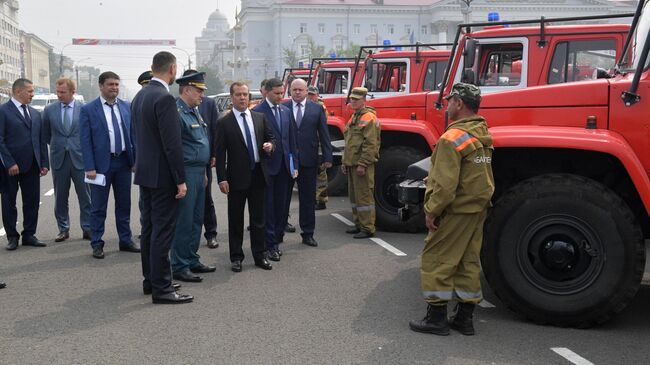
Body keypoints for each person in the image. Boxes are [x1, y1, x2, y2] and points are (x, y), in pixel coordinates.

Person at [409, 83, 494, 336]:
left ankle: (436, 319)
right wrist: (434, 177)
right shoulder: (481, 133)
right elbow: (472, 173)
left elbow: (446, 187)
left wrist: (431, 210)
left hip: (456, 210)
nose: (447, 106)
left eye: (449, 101)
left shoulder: (450, 138)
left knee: (437, 259)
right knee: (468, 262)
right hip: (477, 207)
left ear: (459, 103)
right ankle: (464, 319)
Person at [131, 51, 192, 304]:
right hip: (163, 176)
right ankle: (163, 289)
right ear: (173, 69)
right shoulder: (164, 98)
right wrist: (180, 179)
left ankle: (152, 280)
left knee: (150, 230)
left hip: (145, 173)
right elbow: (171, 144)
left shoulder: (140, 95)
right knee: (162, 232)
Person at [215, 82, 275, 273]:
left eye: (245, 94)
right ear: (232, 98)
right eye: (239, 94)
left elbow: (271, 138)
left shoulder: (259, 117)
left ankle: (260, 255)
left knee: (258, 219)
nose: (242, 98)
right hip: (236, 178)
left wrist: (270, 146)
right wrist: (221, 179)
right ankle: (236, 257)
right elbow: (220, 152)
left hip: (258, 174)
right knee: (236, 220)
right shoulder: (224, 122)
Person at [80, 71, 138, 259]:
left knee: (124, 204)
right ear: (101, 86)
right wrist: (89, 166)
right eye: (110, 84)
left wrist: (135, 160)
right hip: (100, 166)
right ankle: (97, 243)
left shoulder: (126, 107)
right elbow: (85, 140)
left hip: (123, 162)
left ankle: (125, 240)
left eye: (116, 84)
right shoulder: (89, 109)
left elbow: (132, 135)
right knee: (98, 207)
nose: (114, 88)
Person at [169, 71, 215, 282]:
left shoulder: (194, 111)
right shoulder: (176, 113)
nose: (202, 95)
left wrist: (205, 172)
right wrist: (180, 179)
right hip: (187, 172)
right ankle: (179, 264)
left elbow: (200, 142)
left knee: (197, 218)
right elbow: (175, 150)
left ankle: (191, 258)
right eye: (199, 90)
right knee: (184, 221)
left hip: (199, 172)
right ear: (186, 89)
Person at [0, 78, 49, 250]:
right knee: (8, 202)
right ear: (18, 91)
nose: (32, 94)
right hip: (10, 168)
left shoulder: (35, 113)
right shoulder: (3, 111)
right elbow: (0, 140)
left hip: (32, 165)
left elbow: (41, 140)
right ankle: (12, 237)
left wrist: (44, 162)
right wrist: (9, 163)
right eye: (29, 91)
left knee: (32, 201)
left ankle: (29, 234)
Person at [253, 77, 298, 261]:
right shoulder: (257, 112)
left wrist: (294, 164)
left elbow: (291, 141)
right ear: (267, 92)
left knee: (282, 206)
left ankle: (277, 238)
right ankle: (269, 245)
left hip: (285, 168)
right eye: (277, 93)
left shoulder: (286, 112)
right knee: (268, 208)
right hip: (267, 168)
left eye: (282, 93)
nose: (281, 96)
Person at [283, 79, 332, 248]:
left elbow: (324, 134)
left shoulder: (316, 109)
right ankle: (279, 231)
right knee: (283, 198)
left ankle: (308, 233)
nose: (297, 92)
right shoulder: (283, 108)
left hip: (308, 161)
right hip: (287, 161)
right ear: (290, 91)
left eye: (300, 90)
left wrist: (327, 157)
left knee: (308, 199)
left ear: (306, 91)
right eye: (294, 89)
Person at [42, 78, 91, 243]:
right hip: (59, 159)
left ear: (72, 92)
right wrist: (59, 145)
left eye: (63, 92)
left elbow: (88, 134)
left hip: (80, 159)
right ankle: (63, 229)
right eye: (58, 92)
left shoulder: (84, 109)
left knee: (85, 197)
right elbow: (46, 135)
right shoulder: (49, 110)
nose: (59, 95)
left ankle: (88, 228)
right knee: (61, 197)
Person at [340, 87, 380, 239]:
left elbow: (371, 144)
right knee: (354, 197)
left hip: (361, 165)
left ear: (364, 100)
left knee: (364, 197)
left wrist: (363, 164)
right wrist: (345, 162)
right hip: (352, 164)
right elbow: (349, 142)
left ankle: (368, 227)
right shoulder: (354, 116)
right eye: (352, 99)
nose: (353, 101)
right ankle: (358, 224)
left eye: (356, 99)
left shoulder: (368, 117)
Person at [308, 86, 329, 211]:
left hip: (319, 145)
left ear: (317, 95)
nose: (310, 97)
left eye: (312, 95)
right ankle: (318, 199)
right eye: (309, 94)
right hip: (312, 145)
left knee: (321, 174)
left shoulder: (320, 107)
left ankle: (321, 201)